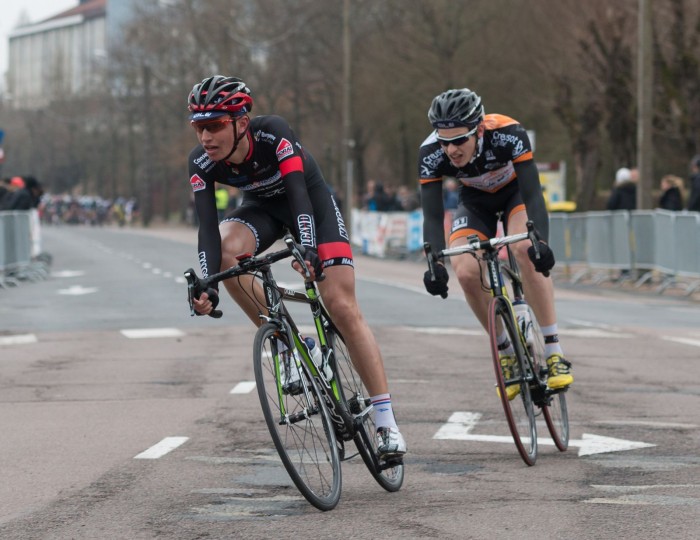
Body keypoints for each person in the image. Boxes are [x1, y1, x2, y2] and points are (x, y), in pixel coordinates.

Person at [186, 75, 406, 459]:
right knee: (223, 253)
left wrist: (307, 248)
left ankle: (386, 422)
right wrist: (208, 285)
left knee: (340, 304)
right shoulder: (202, 162)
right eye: (199, 127)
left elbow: (299, 194)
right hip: (262, 211)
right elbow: (207, 226)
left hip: (311, 206)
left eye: (215, 125)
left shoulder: (273, 133)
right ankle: (290, 344)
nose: (205, 137)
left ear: (240, 121)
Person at [418, 87, 573, 400]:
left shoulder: (508, 132)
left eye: (460, 140)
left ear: (479, 129)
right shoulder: (430, 151)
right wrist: (434, 263)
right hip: (475, 203)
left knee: (524, 250)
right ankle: (505, 351)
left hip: (515, 193)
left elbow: (532, 194)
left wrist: (540, 241)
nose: (451, 150)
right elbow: (433, 216)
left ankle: (554, 352)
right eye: (445, 141)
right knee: (464, 270)